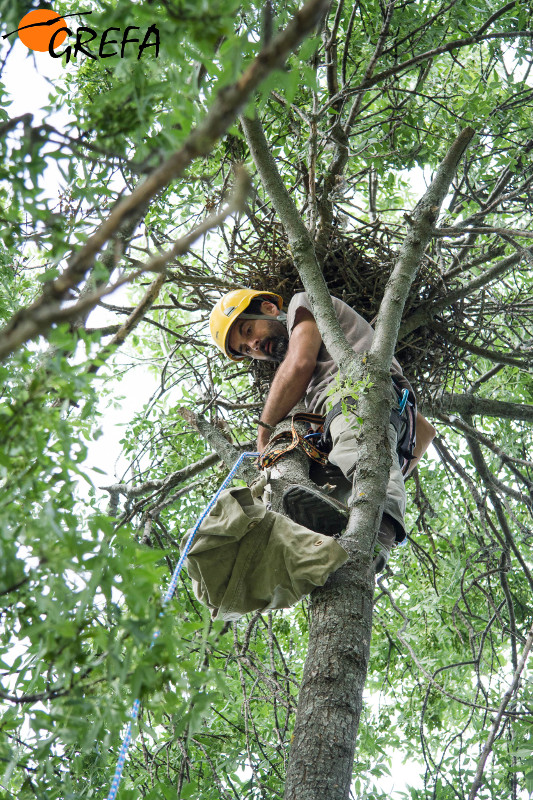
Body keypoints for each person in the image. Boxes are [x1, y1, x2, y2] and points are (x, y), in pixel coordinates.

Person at [209, 288, 413, 571]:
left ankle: (378, 537)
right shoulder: (313, 385)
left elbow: (300, 363)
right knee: (339, 487)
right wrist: (392, 462)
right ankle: (346, 541)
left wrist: (264, 432)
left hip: (356, 395)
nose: (254, 344)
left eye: (247, 330)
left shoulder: (301, 302)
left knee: (359, 461)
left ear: (268, 308)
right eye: (246, 349)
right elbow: (424, 432)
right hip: (378, 421)